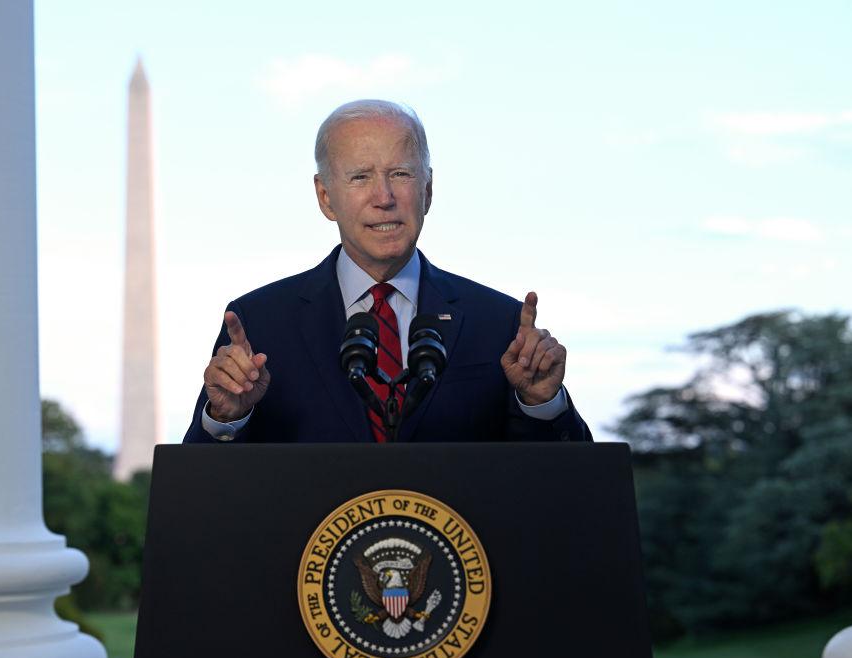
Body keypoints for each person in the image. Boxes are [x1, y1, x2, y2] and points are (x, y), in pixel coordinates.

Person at [183, 100, 591, 443]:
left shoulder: (499, 321)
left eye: (400, 174)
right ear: (326, 197)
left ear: (427, 190)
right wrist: (226, 418)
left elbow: (563, 490)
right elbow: (204, 493)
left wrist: (540, 404)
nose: (384, 197)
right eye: (360, 177)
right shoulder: (260, 322)